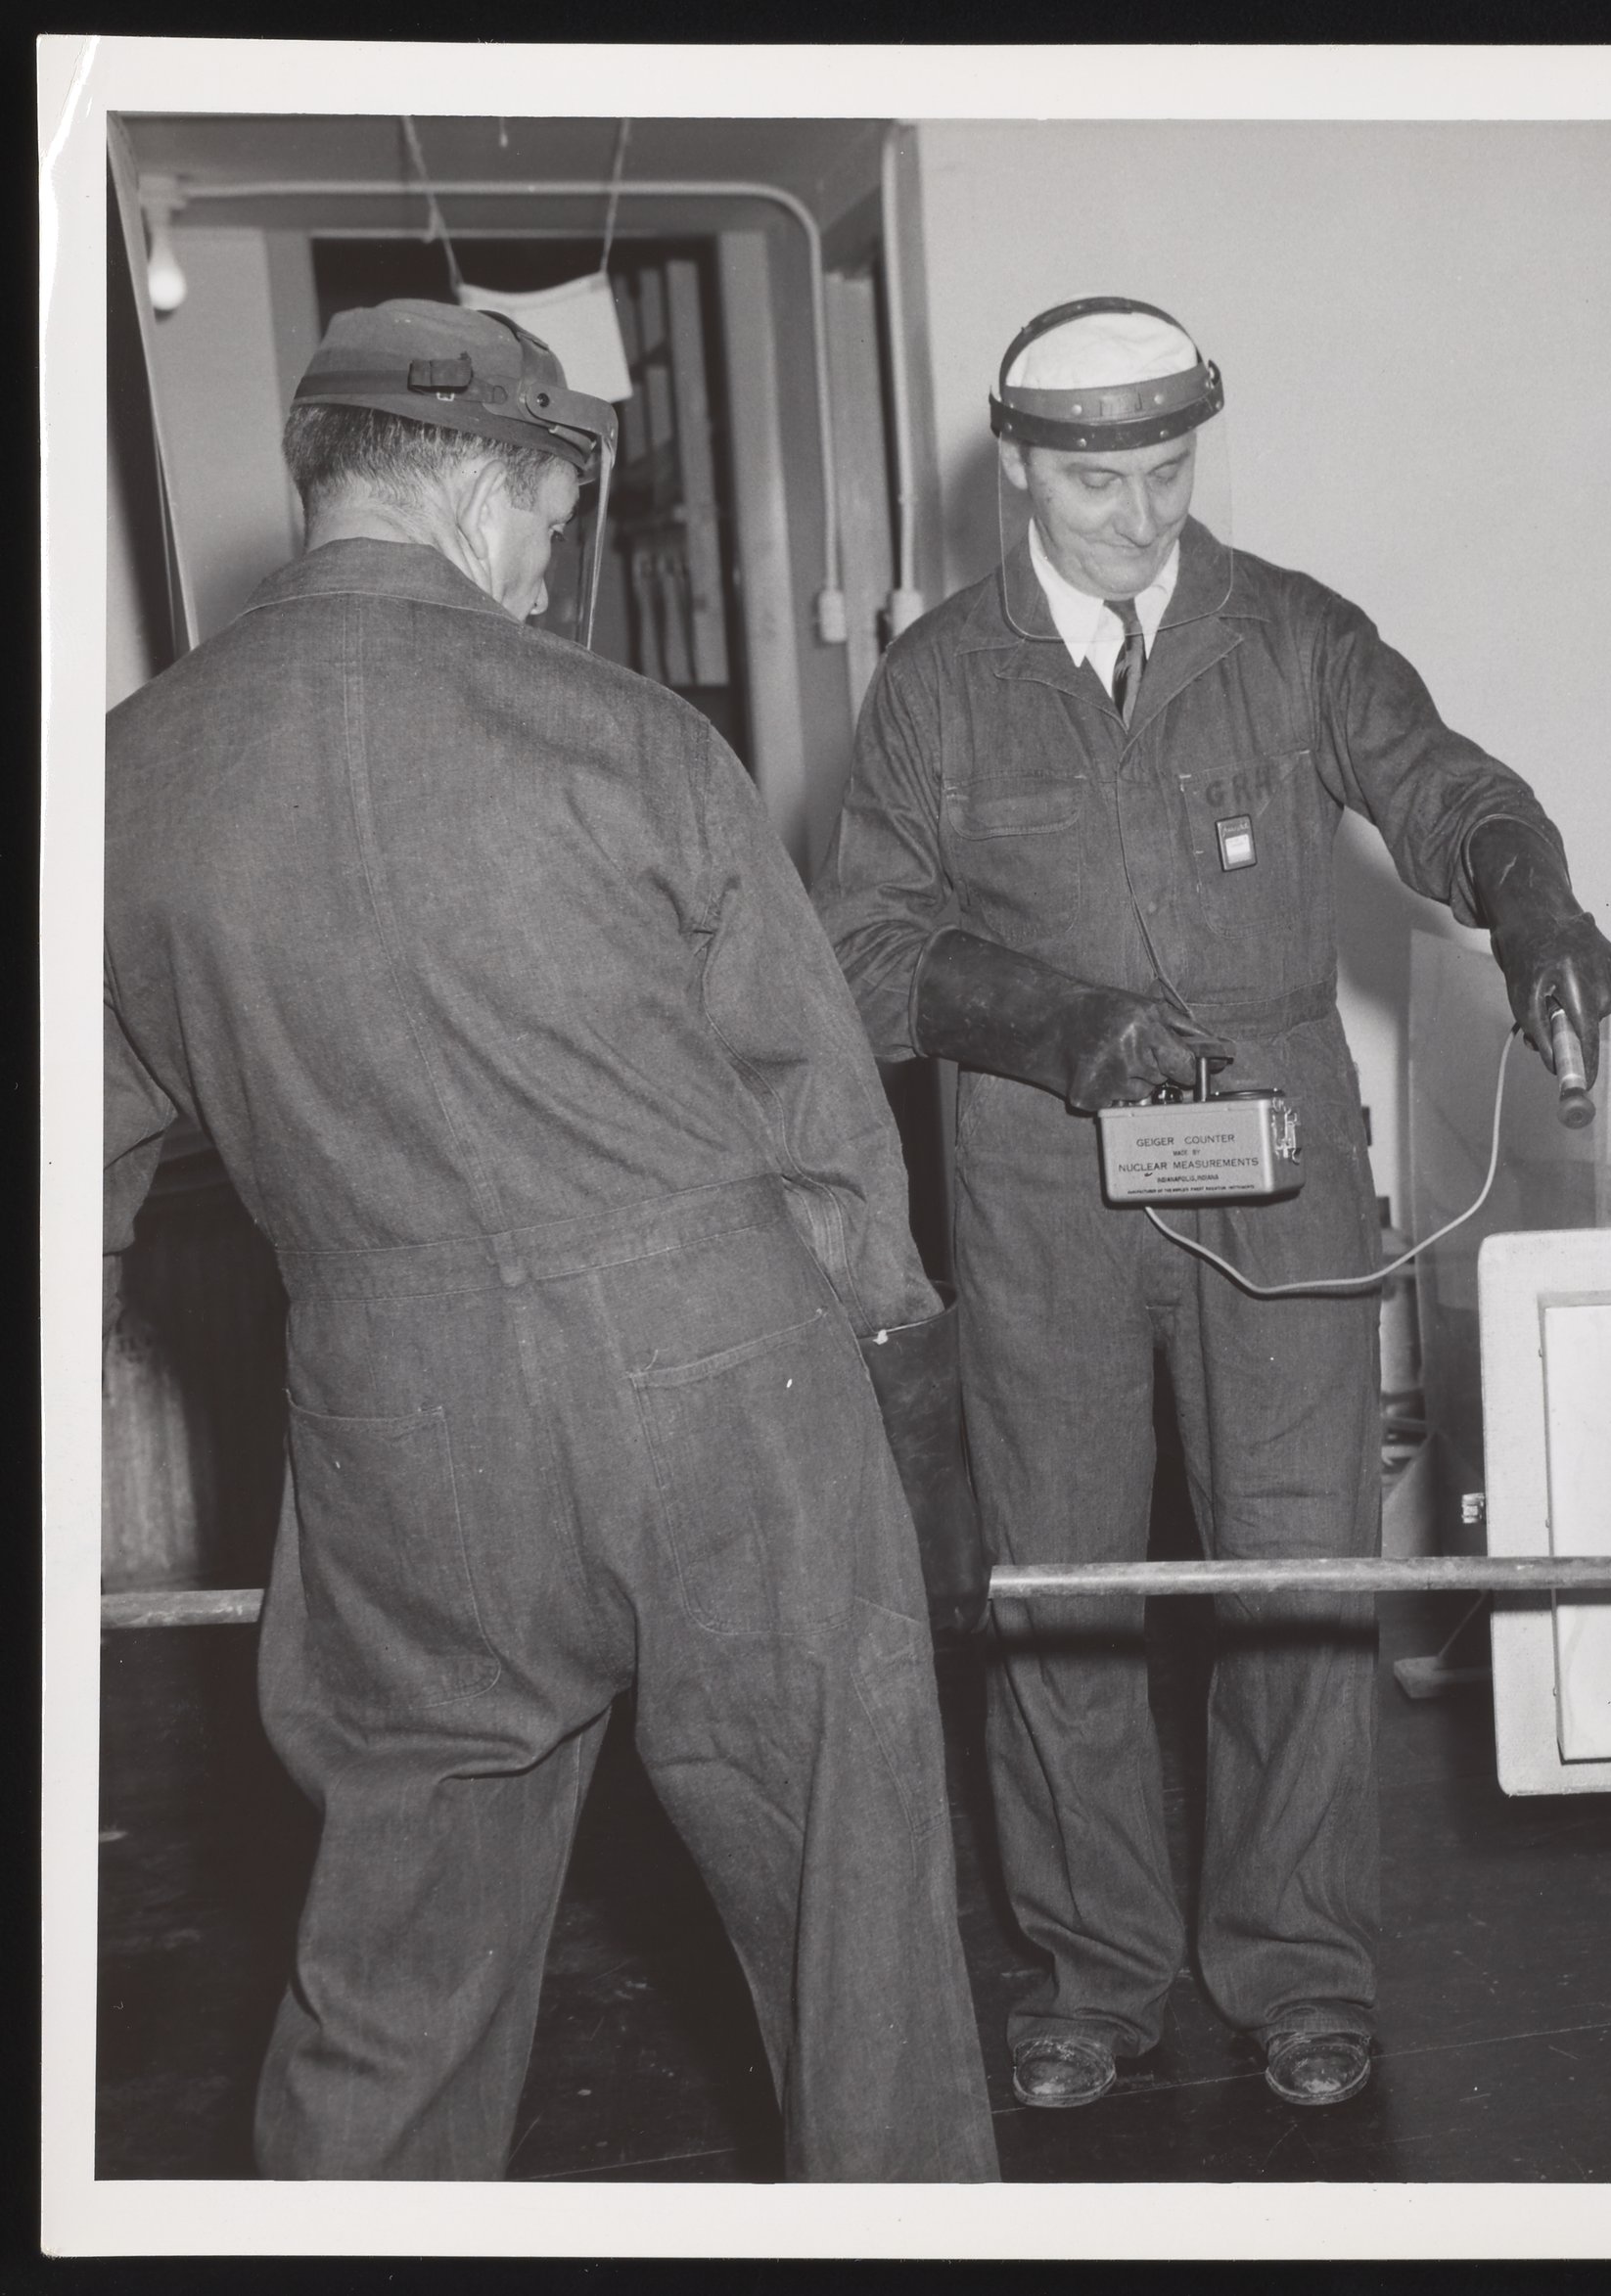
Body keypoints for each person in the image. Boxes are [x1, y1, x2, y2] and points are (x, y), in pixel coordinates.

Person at [101, 299, 998, 2181]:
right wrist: (909, 1415)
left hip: (395, 1422)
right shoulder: (631, 738)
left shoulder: (122, 779)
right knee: (856, 1947)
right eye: (552, 520)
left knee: (395, 1974)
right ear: (491, 486)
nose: (544, 571)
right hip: (726, 1385)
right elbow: (820, 1127)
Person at [819, 296, 1611, 2112]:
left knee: (1297, 1566)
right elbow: (860, 952)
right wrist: (1054, 1022)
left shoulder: (1292, 635)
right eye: (1096, 481)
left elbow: (1449, 789)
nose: (1139, 516)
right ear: (1017, 467)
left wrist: (1534, 903)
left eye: (1170, 472)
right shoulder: (939, 682)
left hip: (1278, 1165)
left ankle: (1301, 1962)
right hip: (1040, 1176)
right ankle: (1092, 1970)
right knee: (1061, 1579)